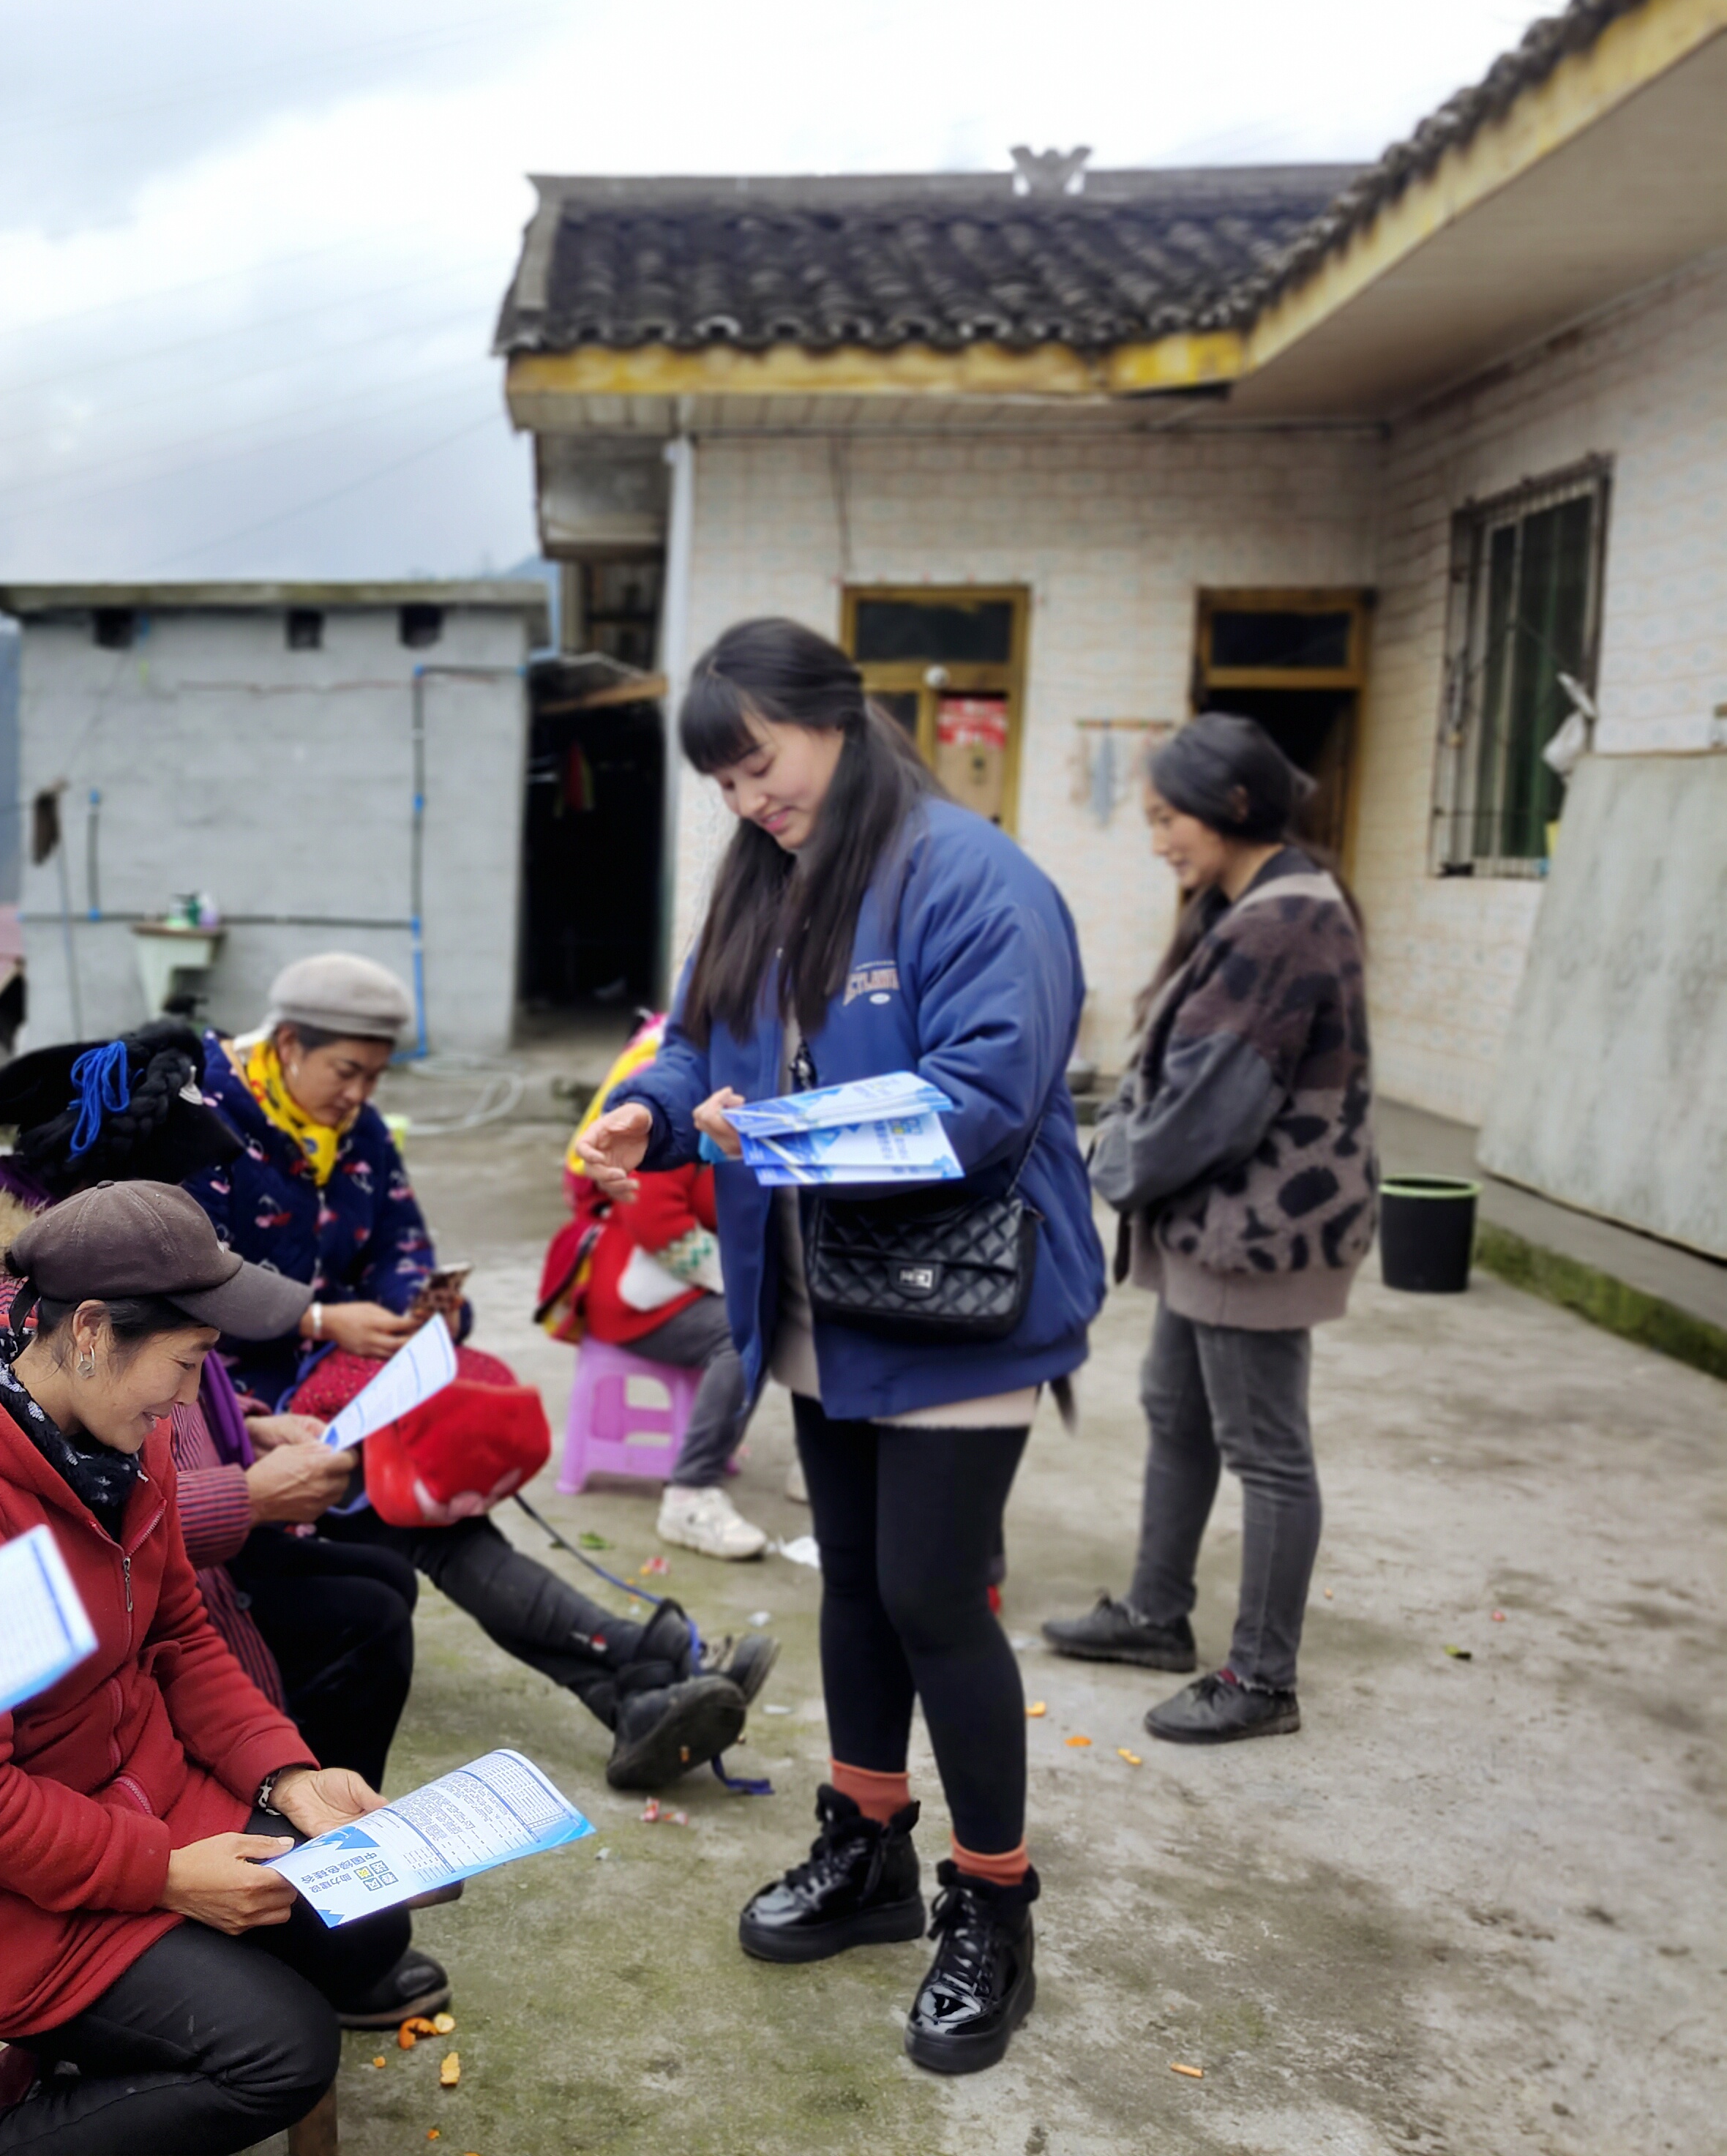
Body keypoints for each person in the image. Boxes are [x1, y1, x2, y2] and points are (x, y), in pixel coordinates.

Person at [577, 616, 1104, 2077]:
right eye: (725, 783)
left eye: (762, 764)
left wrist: (772, 1135)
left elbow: (982, 1100)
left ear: (838, 716)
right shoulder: (762, 878)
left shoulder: (973, 878)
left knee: (935, 1593)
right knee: (858, 1586)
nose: (750, 800)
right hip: (814, 1298)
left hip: (959, 1299)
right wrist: (650, 1109)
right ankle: (866, 1845)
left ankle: (992, 1908)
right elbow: (699, 1043)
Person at [0, 1182, 446, 2156]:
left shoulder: (120, 1439)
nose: (189, 1401)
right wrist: (164, 1877)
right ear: (91, 1331)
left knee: (364, 1925)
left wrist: (288, 1775)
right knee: (282, 2053)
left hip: (124, 1794)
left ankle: (88, 2062)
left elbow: (182, 1638)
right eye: (186, 1364)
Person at [200, 952, 768, 1793]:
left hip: (344, 1387)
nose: (358, 1094)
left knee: (433, 1495)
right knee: (421, 1518)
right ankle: (637, 1666)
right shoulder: (207, 1125)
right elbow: (191, 1283)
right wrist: (316, 1319)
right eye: (345, 1072)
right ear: (287, 1044)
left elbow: (401, 1246)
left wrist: (420, 1311)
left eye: (374, 1076)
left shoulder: (361, 1136)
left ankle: (635, 1681)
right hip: (231, 1407)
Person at [0, 1016, 416, 1792]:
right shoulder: (10, 1327)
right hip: (121, 1643)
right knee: (366, 1620)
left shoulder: (97, 1298)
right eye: (176, 1186)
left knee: (379, 1589)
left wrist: (248, 1428)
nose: (195, 1201)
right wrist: (248, 1498)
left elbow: (161, 1442)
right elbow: (85, 1541)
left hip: (169, 1580)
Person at [1042, 712, 1376, 1745]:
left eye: (1166, 819)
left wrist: (1105, 1166)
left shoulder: (1284, 918)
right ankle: (1155, 1614)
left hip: (1259, 1226)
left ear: (1232, 806)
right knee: (1176, 1412)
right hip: (1216, 1221)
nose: (1157, 842)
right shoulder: (1261, 901)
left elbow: (1210, 1107)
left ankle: (1263, 1681)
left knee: (1266, 1450)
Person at [562, 1016, 771, 1560]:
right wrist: (741, 1285)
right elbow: (657, 1224)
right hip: (634, 1300)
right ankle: (690, 1492)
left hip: (681, 1288)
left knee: (777, 1313)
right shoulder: (678, 1105)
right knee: (745, 1334)